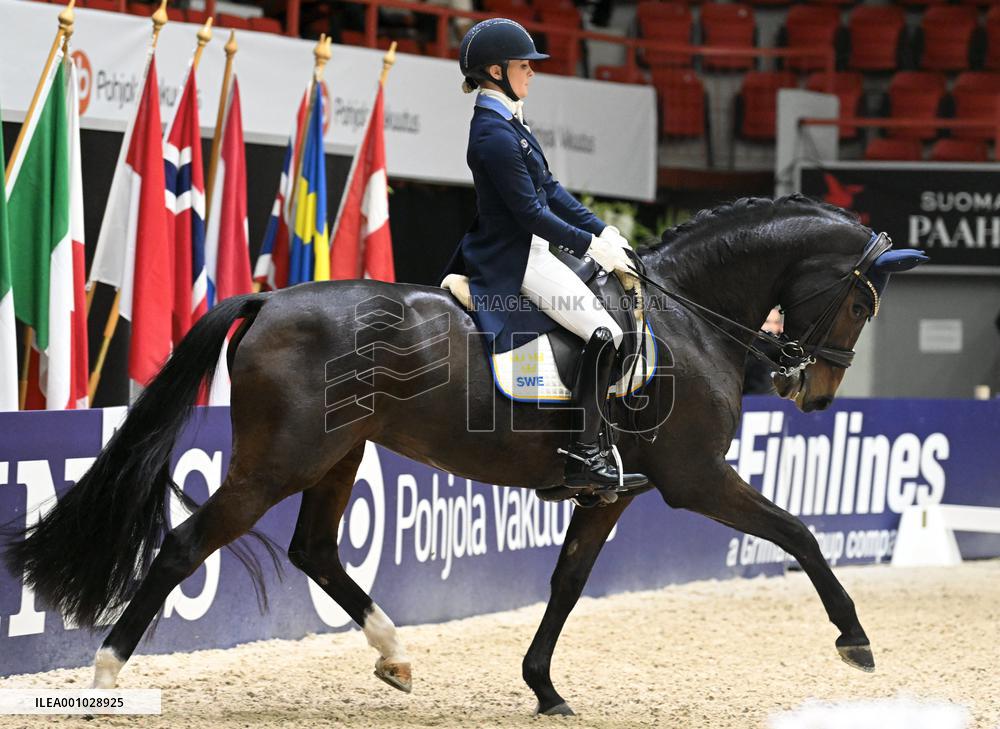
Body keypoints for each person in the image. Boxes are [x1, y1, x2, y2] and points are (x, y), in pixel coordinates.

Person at [440, 17, 648, 494]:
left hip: (534, 248)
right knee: (606, 333)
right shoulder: (492, 134)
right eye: (524, 65)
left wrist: (603, 230)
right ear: (496, 72)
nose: (532, 72)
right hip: (516, 257)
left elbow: (550, 189)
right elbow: (531, 214)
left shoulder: (510, 122)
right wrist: (591, 247)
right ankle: (584, 455)